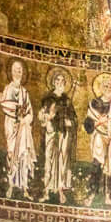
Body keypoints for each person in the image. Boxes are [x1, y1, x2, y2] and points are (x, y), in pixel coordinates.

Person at [85, 76, 111, 203]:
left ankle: (108, 195)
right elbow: (87, 124)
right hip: (98, 138)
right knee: (97, 164)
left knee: (110, 166)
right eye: (106, 86)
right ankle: (92, 192)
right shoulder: (94, 104)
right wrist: (99, 122)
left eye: (110, 87)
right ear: (101, 88)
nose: (108, 89)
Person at [38, 69, 77, 201]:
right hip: (51, 133)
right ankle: (46, 190)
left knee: (62, 162)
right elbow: (42, 115)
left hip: (63, 134)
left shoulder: (67, 100)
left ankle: (60, 189)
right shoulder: (48, 99)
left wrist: (69, 122)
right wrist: (47, 117)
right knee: (49, 160)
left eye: (62, 81)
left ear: (65, 84)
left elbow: (74, 118)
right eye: (57, 80)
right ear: (53, 82)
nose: (60, 83)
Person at [0, 59, 36, 198]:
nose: (18, 72)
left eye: (20, 70)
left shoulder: (25, 92)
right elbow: (5, 106)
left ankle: (24, 187)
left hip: (23, 128)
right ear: (11, 72)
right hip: (11, 126)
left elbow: (30, 112)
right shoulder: (8, 89)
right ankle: (11, 185)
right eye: (15, 70)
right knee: (11, 154)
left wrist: (25, 120)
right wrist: (17, 115)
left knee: (23, 156)